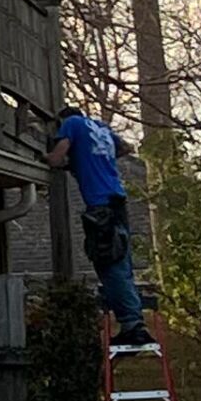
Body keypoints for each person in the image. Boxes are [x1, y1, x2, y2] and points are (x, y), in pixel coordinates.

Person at [47, 106, 153, 346]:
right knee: (122, 261)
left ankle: (132, 326)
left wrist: (49, 158)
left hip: (100, 206)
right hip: (117, 201)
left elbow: (56, 157)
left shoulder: (71, 123)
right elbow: (126, 148)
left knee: (108, 262)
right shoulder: (101, 127)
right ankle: (133, 319)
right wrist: (95, 160)